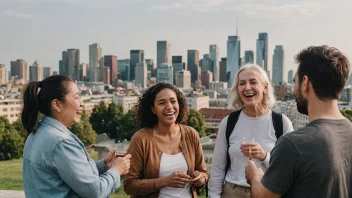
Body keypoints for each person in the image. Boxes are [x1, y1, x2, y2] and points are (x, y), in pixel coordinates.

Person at [245, 46, 352, 198]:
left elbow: (263, 196)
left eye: (295, 82)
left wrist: (254, 176)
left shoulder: (292, 145)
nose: (293, 90)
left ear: (305, 83)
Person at [22, 75, 131, 198]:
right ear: (57, 104)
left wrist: (104, 165)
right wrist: (116, 170)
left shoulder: (38, 133)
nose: (82, 103)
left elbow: (71, 174)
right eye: (77, 97)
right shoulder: (61, 143)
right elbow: (95, 191)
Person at [209, 64, 293, 198]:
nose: (247, 87)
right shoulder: (228, 122)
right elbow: (217, 168)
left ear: (265, 87)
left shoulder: (282, 123)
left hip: (268, 193)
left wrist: (264, 156)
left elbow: (289, 168)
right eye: (242, 83)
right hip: (233, 192)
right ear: (238, 89)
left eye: (253, 82)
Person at [123, 83, 208, 198]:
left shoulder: (191, 134)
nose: (169, 107)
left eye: (173, 101)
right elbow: (129, 185)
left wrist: (200, 178)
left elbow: (203, 172)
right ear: (153, 109)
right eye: (162, 103)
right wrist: (165, 181)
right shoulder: (140, 139)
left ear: (179, 104)